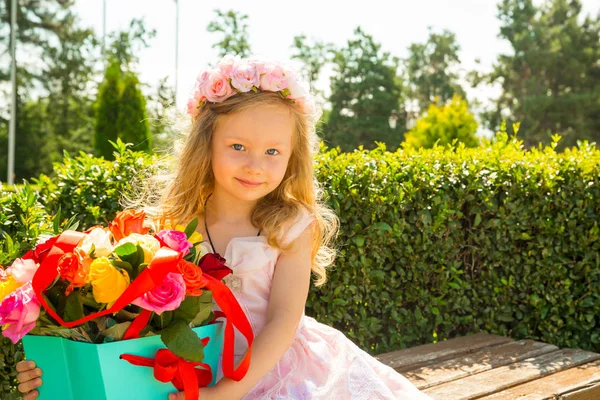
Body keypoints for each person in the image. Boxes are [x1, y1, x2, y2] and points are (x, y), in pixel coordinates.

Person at [16, 55, 431, 400]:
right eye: (238, 147)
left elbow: (284, 321)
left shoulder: (291, 225)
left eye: (273, 151)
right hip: (187, 369)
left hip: (269, 371)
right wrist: (56, 371)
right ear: (206, 146)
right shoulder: (171, 224)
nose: (255, 164)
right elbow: (121, 317)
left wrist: (228, 393)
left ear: (292, 157)